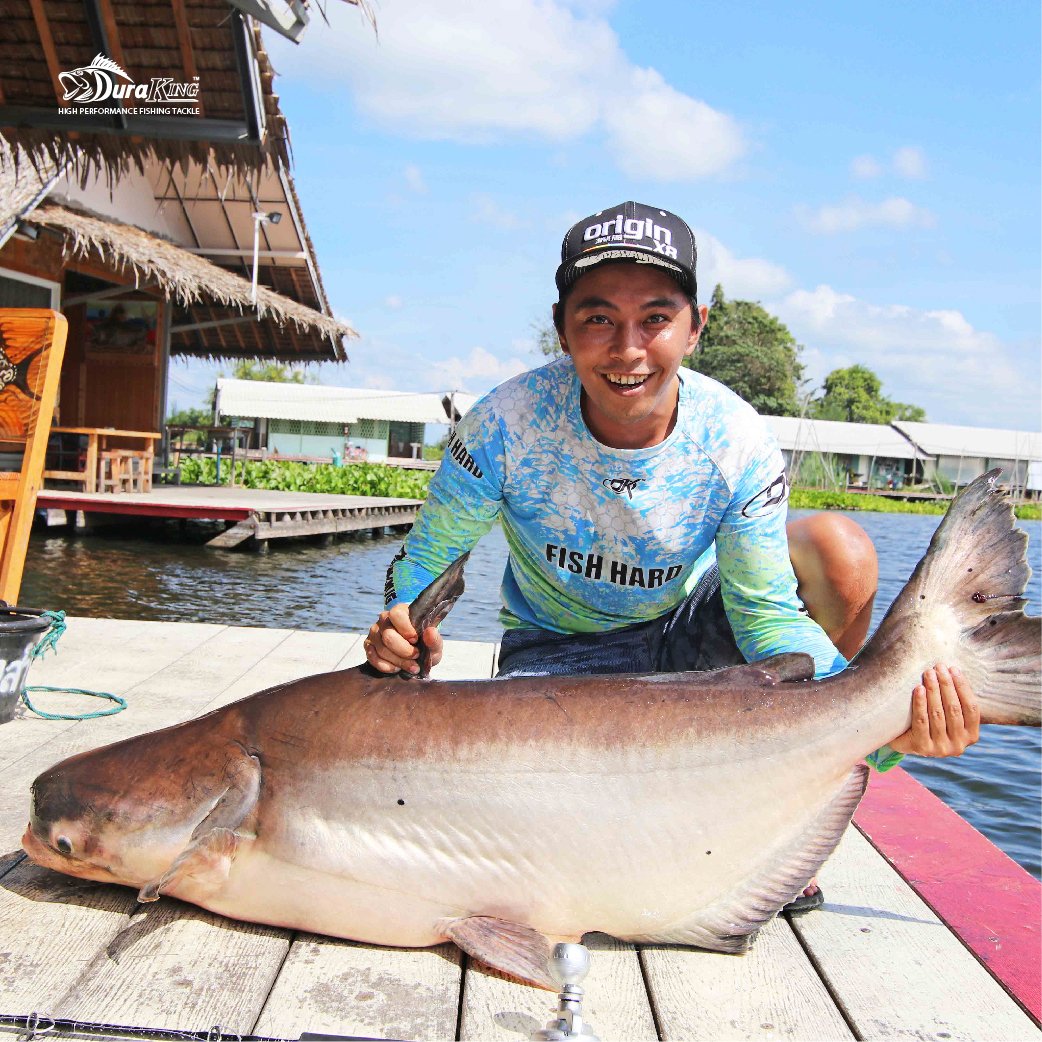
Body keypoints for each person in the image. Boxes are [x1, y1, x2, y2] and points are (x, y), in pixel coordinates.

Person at [364, 201, 979, 909]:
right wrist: (400, 623)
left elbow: (765, 618)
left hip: (689, 632)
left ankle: (792, 793)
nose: (628, 348)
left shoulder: (737, 443)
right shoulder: (504, 425)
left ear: (695, 327)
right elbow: (426, 558)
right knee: (546, 851)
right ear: (562, 328)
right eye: (598, 319)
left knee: (839, 549)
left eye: (655, 318)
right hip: (560, 651)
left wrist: (877, 717)